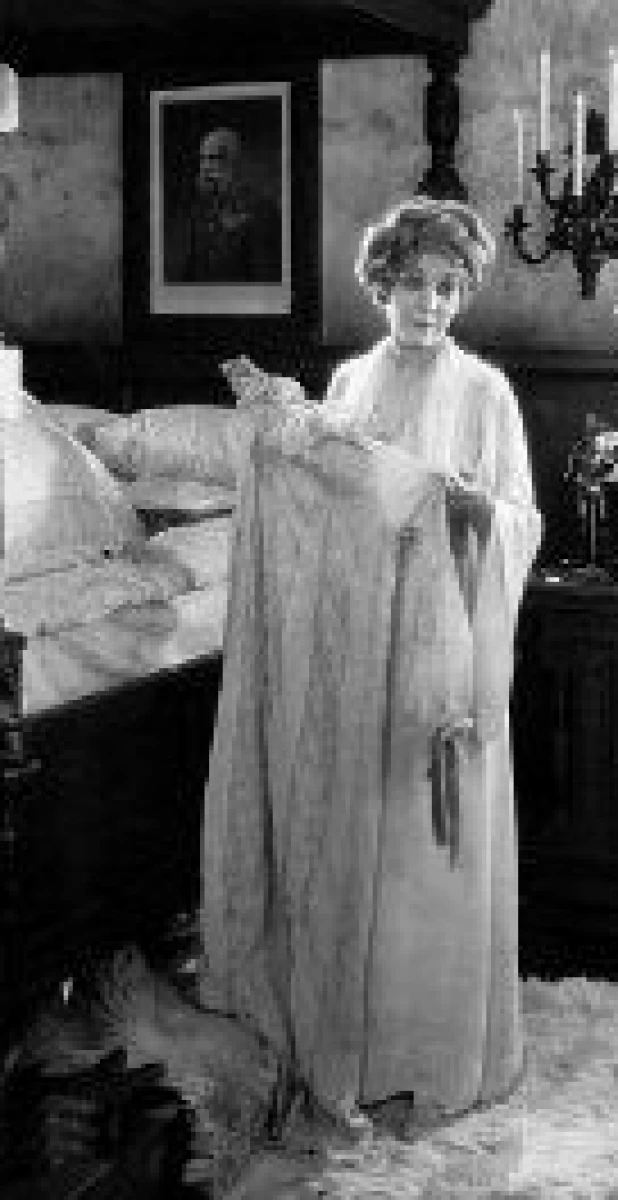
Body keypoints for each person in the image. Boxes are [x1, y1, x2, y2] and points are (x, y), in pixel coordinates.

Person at [200, 197, 542, 1136]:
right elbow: (325, 505)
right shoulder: (348, 385)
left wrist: (472, 513)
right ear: (382, 285)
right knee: (360, 846)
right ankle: (351, 1043)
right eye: (413, 284)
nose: (430, 304)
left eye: (448, 288)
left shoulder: (486, 393)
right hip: (358, 654)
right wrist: (283, 443)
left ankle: (429, 1055)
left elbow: (522, 519)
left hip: (441, 654)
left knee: (428, 851)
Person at [167, 126, 282, 284]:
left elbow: (266, 282)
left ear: (235, 163)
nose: (205, 167)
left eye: (214, 158)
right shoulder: (199, 211)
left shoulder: (262, 210)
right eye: (202, 159)